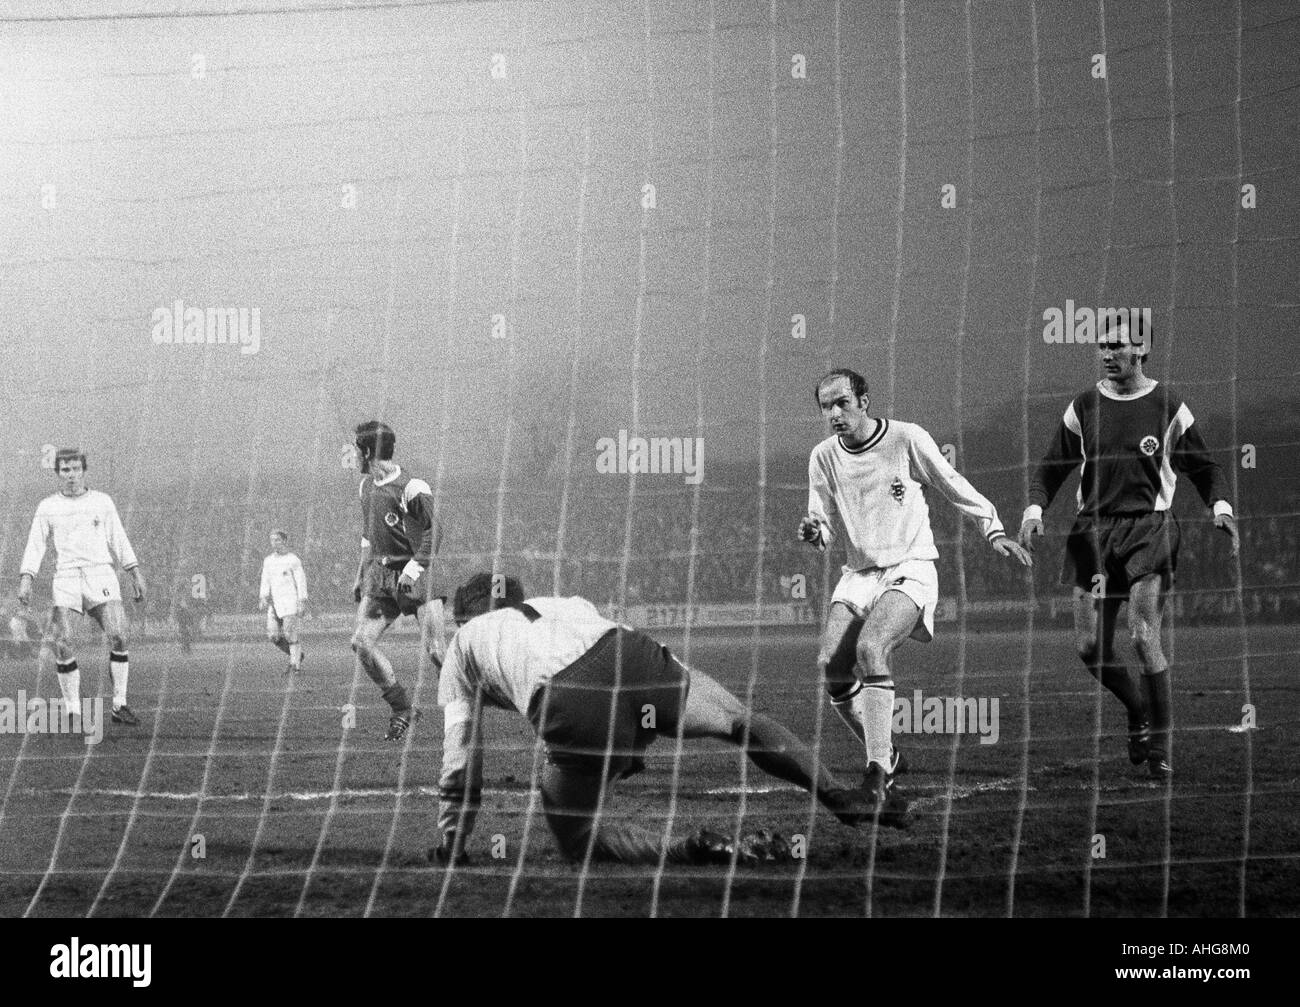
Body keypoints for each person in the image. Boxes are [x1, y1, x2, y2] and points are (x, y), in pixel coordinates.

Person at [432, 574, 883, 867]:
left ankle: (690, 849)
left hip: (569, 695)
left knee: (575, 838)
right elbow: (612, 672)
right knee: (737, 720)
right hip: (630, 651)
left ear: (468, 616)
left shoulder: (463, 643)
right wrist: (634, 736)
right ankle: (837, 794)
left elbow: (462, 752)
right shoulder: (563, 602)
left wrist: (454, 840)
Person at [799, 368, 1031, 810]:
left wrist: (994, 529)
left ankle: (876, 774)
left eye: (842, 403)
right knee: (832, 666)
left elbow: (951, 484)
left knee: (871, 649)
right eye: (826, 407)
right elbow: (823, 525)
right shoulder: (822, 457)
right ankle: (890, 753)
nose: (834, 414)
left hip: (911, 567)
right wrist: (816, 533)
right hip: (859, 573)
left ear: (864, 401)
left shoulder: (906, 438)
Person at [1018, 313, 1238, 779]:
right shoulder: (1083, 406)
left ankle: (1160, 746)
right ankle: (1137, 710)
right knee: (1088, 647)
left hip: (1148, 529)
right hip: (1091, 533)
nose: (1106, 354)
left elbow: (1205, 467)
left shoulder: (1168, 405)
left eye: (1116, 346)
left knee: (1142, 635)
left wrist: (1220, 507)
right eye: (1102, 346)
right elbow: (1050, 468)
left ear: (1141, 350)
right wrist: (1034, 511)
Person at [17, 448, 146, 725]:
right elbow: (35, 544)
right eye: (65, 470)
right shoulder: (48, 506)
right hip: (66, 577)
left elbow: (119, 539)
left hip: (100, 573)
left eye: (76, 469)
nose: (71, 475)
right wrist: (27, 577)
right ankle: (73, 709)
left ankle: (119, 705)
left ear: (84, 471)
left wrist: (134, 572)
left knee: (120, 635)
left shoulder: (102, 502)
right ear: (58, 474)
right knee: (62, 642)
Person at [350, 420, 448, 741]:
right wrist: (361, 574)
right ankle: (402, 707)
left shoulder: (412, 487)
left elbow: (436, 532)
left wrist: (412, 570)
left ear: (367, 452)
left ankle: (463, 711)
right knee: (361, 643)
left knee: (437, 651)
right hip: (381, 576)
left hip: (416, 574)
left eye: (355, 449)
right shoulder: (366, 487)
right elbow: (368, 535)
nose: (352, 455)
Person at [259, 529, 308, 673]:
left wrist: (302, 600)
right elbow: (265, 579)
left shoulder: (293, 560)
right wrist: (263, 596)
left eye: (277, 540)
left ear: (284, 541)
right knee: (273, 636)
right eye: (272, 540)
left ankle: (295, 665)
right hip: (275, 604)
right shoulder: (268, 561)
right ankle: (297, 655)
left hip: (290, 602)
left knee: (289, 633)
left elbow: (301, 581)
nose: (274, 543)